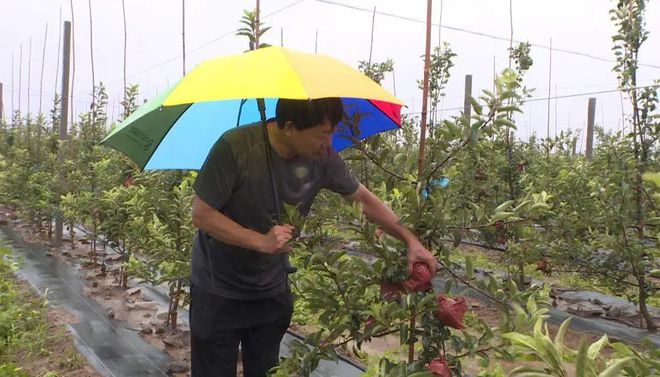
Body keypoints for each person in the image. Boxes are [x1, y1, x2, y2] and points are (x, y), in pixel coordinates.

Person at [190, 97, 437, 377]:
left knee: (265, 371)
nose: (329, 142)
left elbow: (363, 199)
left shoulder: (323, 158)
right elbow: (202, 214)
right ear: (291, 127)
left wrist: (411, 240)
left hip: (270, 289)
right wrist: (260, 241)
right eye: (323, 134)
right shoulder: (235, 147)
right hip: (218, 288)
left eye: (332, 132)